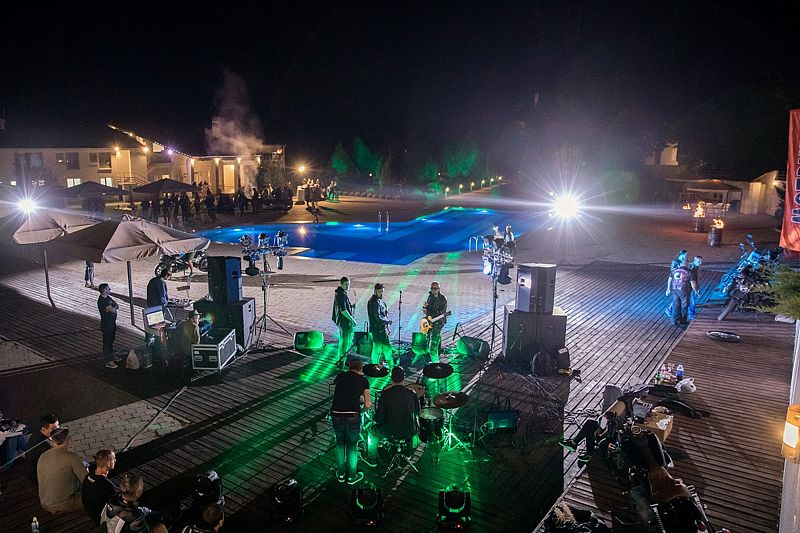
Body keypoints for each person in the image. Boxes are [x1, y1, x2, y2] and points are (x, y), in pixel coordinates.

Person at [330, 359, 371, 485]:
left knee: (340, 443)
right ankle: (352, 476)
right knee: (352, 446)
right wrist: (361, 411)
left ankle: (341, 474)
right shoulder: (364, 380)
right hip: (352, 416)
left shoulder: (340, 376)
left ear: (349, 368)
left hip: (336, 413)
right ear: (361, 369)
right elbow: (368, 404)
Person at [37, 427, 87, 514]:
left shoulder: (43, 455)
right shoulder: (72, 457)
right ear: (67, 440)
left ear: (52, 441)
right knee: (95, 494)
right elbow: (86, 480)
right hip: (64, 504)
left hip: (44, 502)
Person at [101, 472, 169, 533]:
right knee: (160, 526)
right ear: (138, 493)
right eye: (142, 487)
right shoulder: (135, 517)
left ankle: (162, 515)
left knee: (145, 511)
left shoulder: (113, 499)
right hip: (125, 524)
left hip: (109, 526)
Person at [372, 366, 419, 451]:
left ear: (391, 378)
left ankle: (372, 456)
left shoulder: (386, 394)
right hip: (410, 430)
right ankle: (410, 450)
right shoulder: (412, 393)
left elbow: (379, 418)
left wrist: (374, 418)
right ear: (403, 378)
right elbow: (417, 412)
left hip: (390, 431)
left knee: (372, 432)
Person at [81, 449, 117, 525]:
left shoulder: (89, 476)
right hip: (101, 518)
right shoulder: (106, 485)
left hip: (91, 512)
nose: (115, 460)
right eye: (113, 459)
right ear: (108, 463)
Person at [26, 414, 60, 485]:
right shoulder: (45, 445)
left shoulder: (38, 433)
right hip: (40, 477)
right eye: (53, 428)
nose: (58, 430)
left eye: (58, 425)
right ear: (44, 429)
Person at [146, 271, 170, 367]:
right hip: (158, 307)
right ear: (166, 275)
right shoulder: (161, 282)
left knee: (151, 326)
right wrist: (166, 303)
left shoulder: (153, 280)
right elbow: (162, 296)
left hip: (151, 306)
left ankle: (150, 341)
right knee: (158, 326)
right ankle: (158, 343)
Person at [332, 276, 357, 369]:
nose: (347, 286)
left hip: (341, 321)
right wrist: (352, 320)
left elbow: (344, 306)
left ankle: (340, 360)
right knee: (345, 343)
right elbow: (343, 310)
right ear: (341, 284)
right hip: (344, 322)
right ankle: (342, 363)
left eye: (348, 284)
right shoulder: (341, 295)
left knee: (343, 341)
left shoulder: (340, 292)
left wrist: (351, 306)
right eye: (346, 284)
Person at [367, 283, 394, 367]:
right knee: (382, 348)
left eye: (382, 292)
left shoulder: (377, 301)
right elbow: (377, 317)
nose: (381, 294)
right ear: (375, 291)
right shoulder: (374, 302)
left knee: (378, 348)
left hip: (378, 329)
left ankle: (376, 365)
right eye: (379, 292)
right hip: (378, 329)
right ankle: (387, 366)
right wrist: (387, 321)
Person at [423, 281, 448, 362]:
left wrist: (428, 312)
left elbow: (440, 313)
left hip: (438, 322)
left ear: (439, 289)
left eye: (435, 288)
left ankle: (435, 362)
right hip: (430, 322)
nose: (433, 290)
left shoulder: (442, 299)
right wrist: (425, 307)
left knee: (433, 344)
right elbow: (428, 309)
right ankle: (436, 355)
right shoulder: (430, 296)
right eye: (432, 288)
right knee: (430, 339)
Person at [98, 283, 120, 369]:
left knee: (111, 340)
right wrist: (113, 307)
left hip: (111, 323)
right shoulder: (102, 301)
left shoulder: (108, 298)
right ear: (104, 290)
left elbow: (117, 306)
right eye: (108, 288)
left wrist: (113, 307)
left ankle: (111, 356)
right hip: (106, 324)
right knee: (107, 342)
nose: (110, 289)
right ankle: (108, 361)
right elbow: (113, 309)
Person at [666, 256, 692, 326]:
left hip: (675, 290)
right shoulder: (689, 272)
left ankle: (674, 320)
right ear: (687, 264)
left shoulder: (674, 270)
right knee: (684, 306)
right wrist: (695, 290)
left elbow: (670, 279)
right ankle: (683, 320)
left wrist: (668, 288)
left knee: (676, 305)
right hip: (684, 290)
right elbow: (692, 282)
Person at [665, 249, 688, 317]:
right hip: (676, 281)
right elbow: (673, 271)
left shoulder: (684, 261)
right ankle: (670, 310)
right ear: (682, 254)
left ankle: (672, 310)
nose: (686, 256)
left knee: (678, 298)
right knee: (677, 298)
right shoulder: (675, 261)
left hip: (681, 281)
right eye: (685, 255)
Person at [687, 255, 703, 321]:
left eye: (701, 261)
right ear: (695, 260)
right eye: (699, 261)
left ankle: (670, 310)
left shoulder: (698, 268)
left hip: (692, 286)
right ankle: (691, 314)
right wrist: (696, 290)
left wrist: (697, 288)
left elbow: (697, 279)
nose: (700, 263)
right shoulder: (691, 268)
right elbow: (692, 281)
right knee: (692, 300)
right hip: (689, 287)